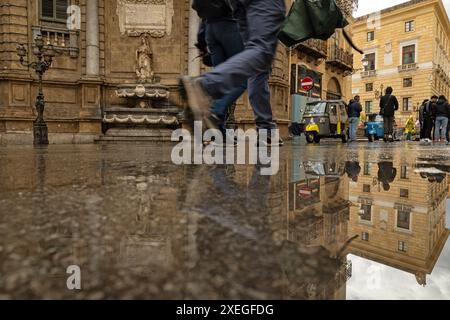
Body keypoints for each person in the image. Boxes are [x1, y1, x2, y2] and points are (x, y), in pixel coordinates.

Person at [181, 0, 287, 146]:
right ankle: (205, 89)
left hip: (218, 22)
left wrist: (201, 39)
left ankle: (217, 129)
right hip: (230, 24)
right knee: (258, 59)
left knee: (231, 71)